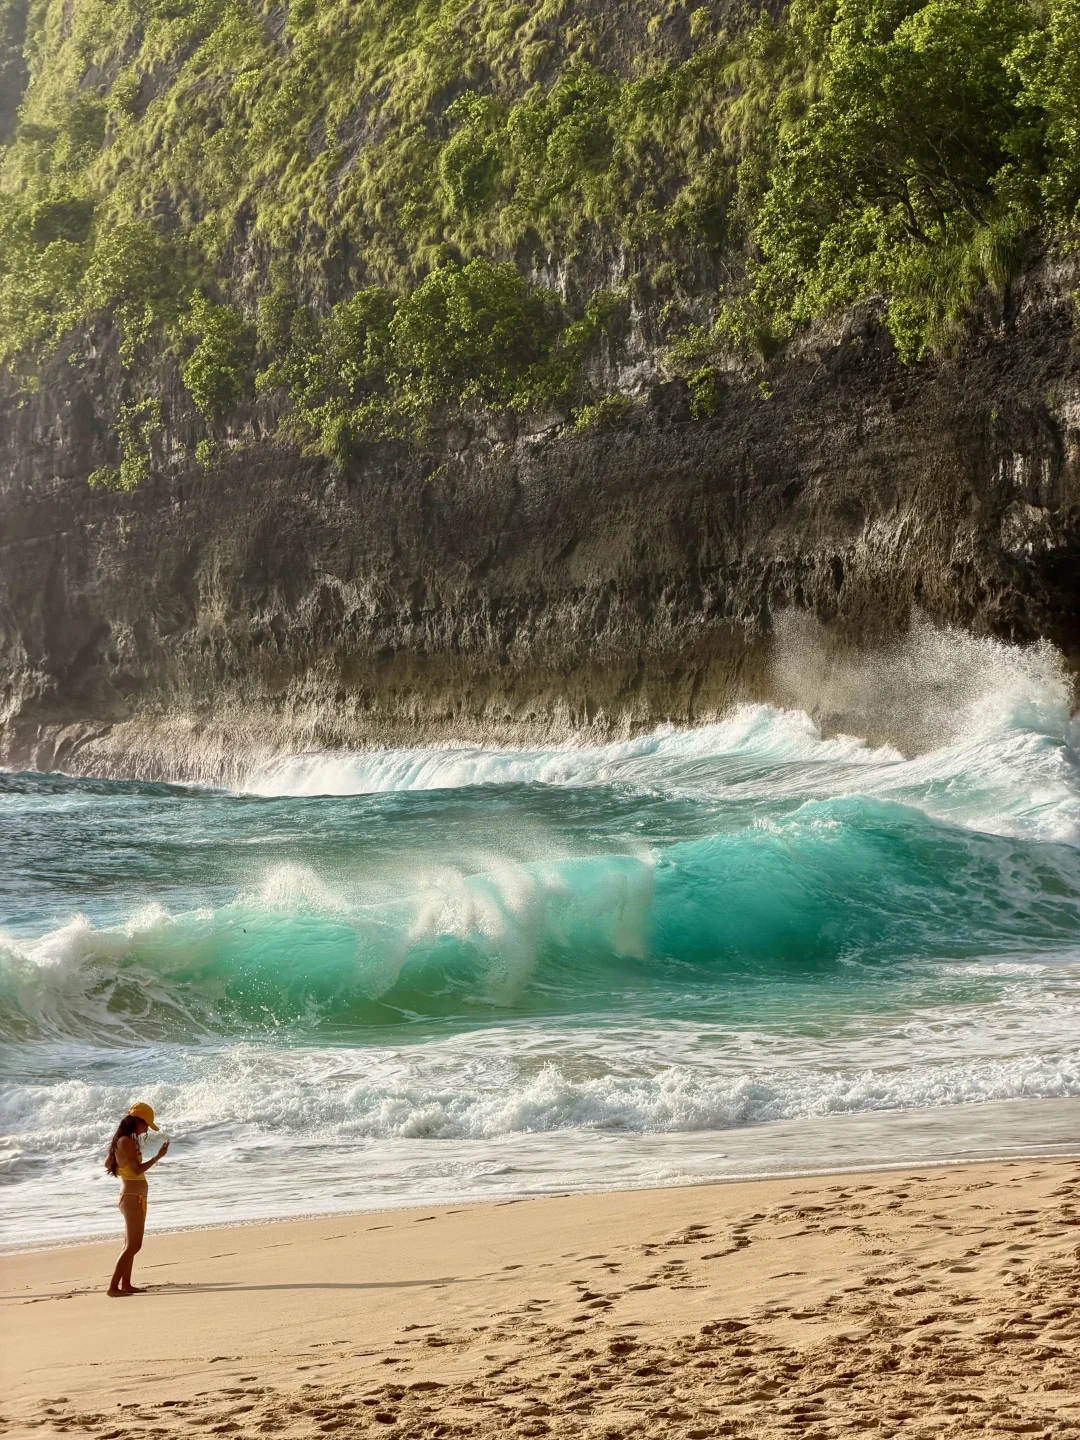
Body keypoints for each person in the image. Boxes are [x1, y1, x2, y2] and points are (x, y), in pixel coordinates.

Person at [104, 1102, 169, 1296]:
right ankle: (113, 1287)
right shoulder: (125, 1141)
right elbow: (137, 1169)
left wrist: (122, 1164)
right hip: (131, 1197)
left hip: (134, 1196)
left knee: (129, 1244)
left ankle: (126, 1285)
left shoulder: (124, 1141)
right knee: (134, 1245)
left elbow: (109, 1164)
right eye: (146, 1124)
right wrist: (158, 1157)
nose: (147, 1128)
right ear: (137, 1121)